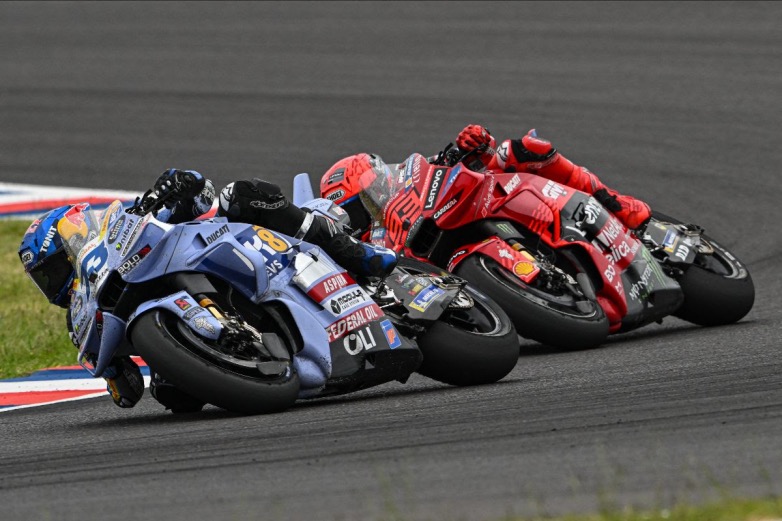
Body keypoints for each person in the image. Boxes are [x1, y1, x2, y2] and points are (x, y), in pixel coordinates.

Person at [19, 169, 397, 412]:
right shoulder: (81, 318)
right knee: (171, 395)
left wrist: (178, 185)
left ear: (75, 237)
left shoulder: (132, 221)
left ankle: (359, 254)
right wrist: (116, 376)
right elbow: (127, 393)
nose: (54, 282)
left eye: (54, 268)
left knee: (241, 193)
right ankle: (254, 354)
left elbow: (200, 190)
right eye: (45, 279)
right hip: (187, 333)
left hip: (238, 248)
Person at [320, 125, 652, 233]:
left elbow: (472, 159)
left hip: (473, 209)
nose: (368, 212)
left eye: (368, 198)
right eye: (356, 212)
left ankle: (615, 204)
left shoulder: (411, 178)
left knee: (520, 151)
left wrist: (474, 144)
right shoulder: (366, 249)